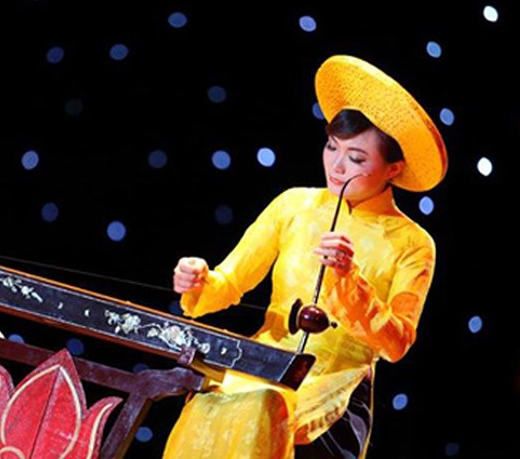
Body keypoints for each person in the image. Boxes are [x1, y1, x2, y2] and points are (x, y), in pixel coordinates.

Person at [162, 55, 448, 459]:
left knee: (266, 407)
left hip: (336, 387)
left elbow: (397, 343)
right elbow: (230, 281)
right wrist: (199, 281)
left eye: (357, 158)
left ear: (393, 169)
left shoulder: (413, 242)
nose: (337, 165)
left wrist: (349, 281)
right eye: (332, 147)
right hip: (262, 365)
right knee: (206, 406)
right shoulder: (294, 205)